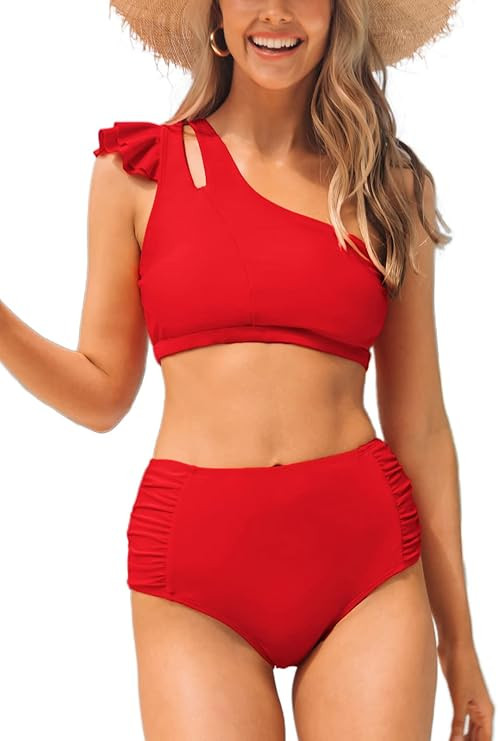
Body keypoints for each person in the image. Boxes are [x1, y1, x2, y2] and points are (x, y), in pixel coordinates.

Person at [0, 0, 494, 739]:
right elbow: (102, 393)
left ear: (338, 12)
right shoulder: (137, 176)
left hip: (365, 566)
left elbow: (420, 426)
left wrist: (460, 645)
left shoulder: (388, 188)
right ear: (216, 11)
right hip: (195, 575)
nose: (276, 12)